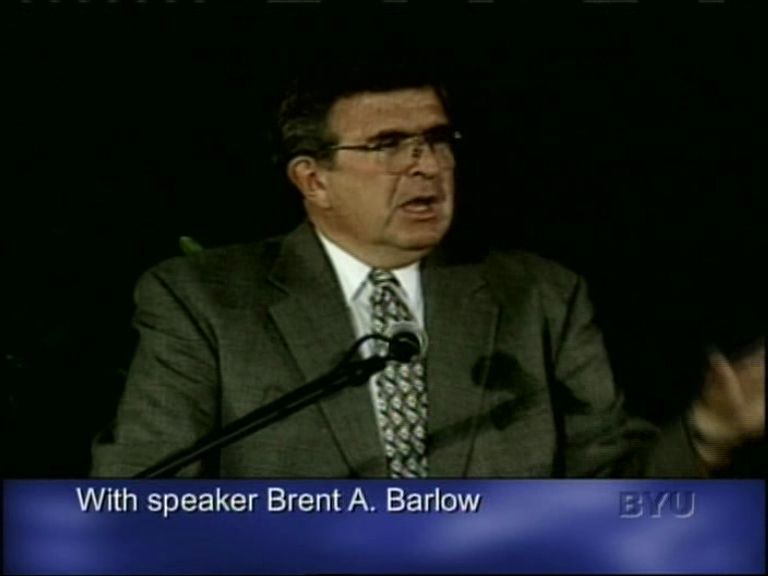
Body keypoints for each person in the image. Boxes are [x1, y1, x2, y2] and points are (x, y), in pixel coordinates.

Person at [90, 57, 764, 478]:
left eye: (437, 140)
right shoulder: (204, 300)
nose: (426, 165)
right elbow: (144, 493)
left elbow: (610, 495)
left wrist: (707, 433)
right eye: (388, 144)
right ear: (312, 179)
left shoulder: (539, 295)